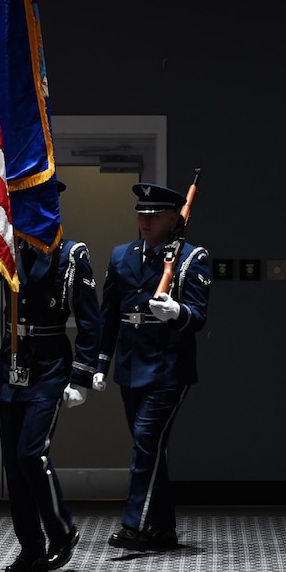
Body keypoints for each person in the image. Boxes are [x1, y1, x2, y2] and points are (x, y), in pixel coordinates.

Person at [0, 180, 101, 572]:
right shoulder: (8, 247)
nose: (21, 211)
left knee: (30, 454)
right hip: (12, 363)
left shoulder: (71, 255)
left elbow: (90, 323)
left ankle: (62, 532)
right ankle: (31, 548)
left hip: (49, 365)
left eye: (30, 203)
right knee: (13, 462)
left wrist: (81, 374)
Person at [95, 182, 211, 552]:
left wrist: (177, 312)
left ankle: (136, 525)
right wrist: (100, 362)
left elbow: (199, 316)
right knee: (150, 447)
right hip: (130, 363)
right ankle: (163, 529)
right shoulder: (121, 256)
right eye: (141, 213)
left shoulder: (192, 258)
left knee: (146, 443)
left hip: (167, 365)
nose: (146, 220)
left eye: (155, 214)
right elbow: (109, 313)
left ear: (174, 218)